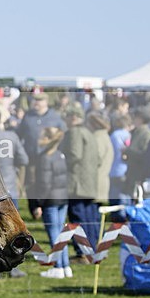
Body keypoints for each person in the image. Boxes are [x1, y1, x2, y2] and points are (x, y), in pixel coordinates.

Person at [16, 92, 66, 218]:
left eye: (39, 101)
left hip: (49, 157)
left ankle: (48, 208)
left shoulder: (55, 117)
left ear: (46, 102)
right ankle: (34, 209)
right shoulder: (28, 117)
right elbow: (20, 135)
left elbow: (62, 135)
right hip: (32, 158)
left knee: (47, 183)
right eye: (35, 100)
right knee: (31, 184)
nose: (36, 103)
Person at [31, 127, 71, 278]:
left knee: (54, 234)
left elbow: (44, 184)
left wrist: (39, 203)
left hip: (51, 199)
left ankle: (58, 266)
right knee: (61, 233)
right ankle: (66, 265)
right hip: (63, 198)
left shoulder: (44, 158)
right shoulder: (60, 155)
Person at [63, 103, 101, 255]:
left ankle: (83, 252)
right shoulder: (89, 132)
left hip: (76, 183)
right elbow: (99, 160)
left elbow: (74, 155)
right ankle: (91, 249)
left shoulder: (75, 132)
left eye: (66, 116)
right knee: (89, 218)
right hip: (89, 182)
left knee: (77, 218)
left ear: (73, 117)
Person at [0, 106, 28, 209]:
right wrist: (19, 183)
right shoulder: (11, 136)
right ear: (0, 120)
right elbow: (24, 160)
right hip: (9, 187)